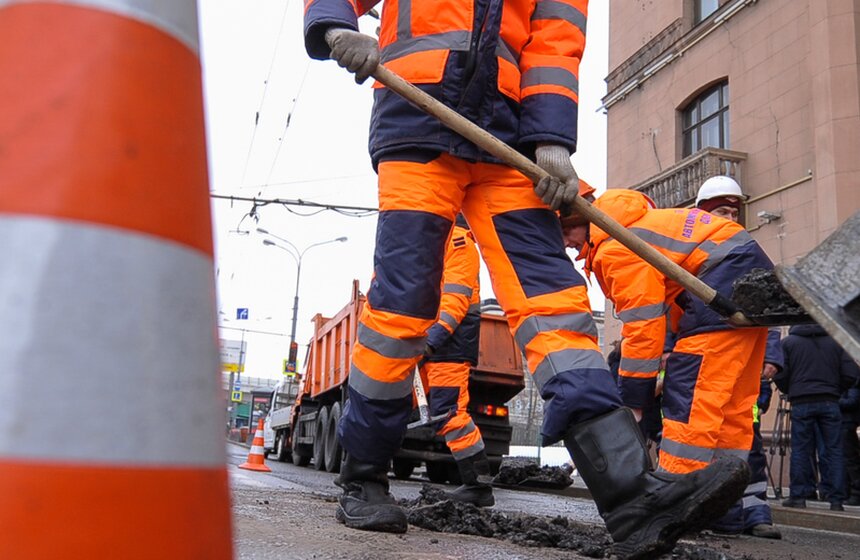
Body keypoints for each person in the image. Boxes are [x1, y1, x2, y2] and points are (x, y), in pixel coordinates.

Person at [304, 4, 749, 559]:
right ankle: (363, 476)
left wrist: (552, 137)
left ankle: (632, 496)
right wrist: (333, 25)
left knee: (556, 307)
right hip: (417, 120)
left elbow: (554, 43)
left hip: (508, 141)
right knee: (403, 309)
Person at [693, 176, 783, 539]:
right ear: (703, 214)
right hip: (704, 364)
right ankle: (717, 511)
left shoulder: (749, 253)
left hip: (744, 366)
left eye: (733, 210)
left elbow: (772, 309)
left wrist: (771, 357)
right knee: (705, 440)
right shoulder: (692, 254)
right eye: (721, 210)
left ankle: (755, 512)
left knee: (747, 442)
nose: (729, 216)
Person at [420, 214, 493, 507]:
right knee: (439, 411)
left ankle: (477, 485)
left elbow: (456, 301)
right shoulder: (443, 242)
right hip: (442, 340)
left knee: (450, 413)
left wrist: (432, 338)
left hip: (450, 340)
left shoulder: (459, 243)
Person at [775, 324, 860, 511]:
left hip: (801, 401)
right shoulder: (836, 342)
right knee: (834, 450)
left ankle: (798, 496)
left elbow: (780, 372)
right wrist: (836, 391)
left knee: (800, 450)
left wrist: (791, 389)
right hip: (829, 401)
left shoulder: (788, 343)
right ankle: (836, 499)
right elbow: (851, 373)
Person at [839, 377, 860, 506]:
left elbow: (852, 401)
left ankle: (856, 492)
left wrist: (833, 400)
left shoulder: (853, 379)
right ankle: (848, 491)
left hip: (847, 422)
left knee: (850, 459)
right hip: (845, 422)